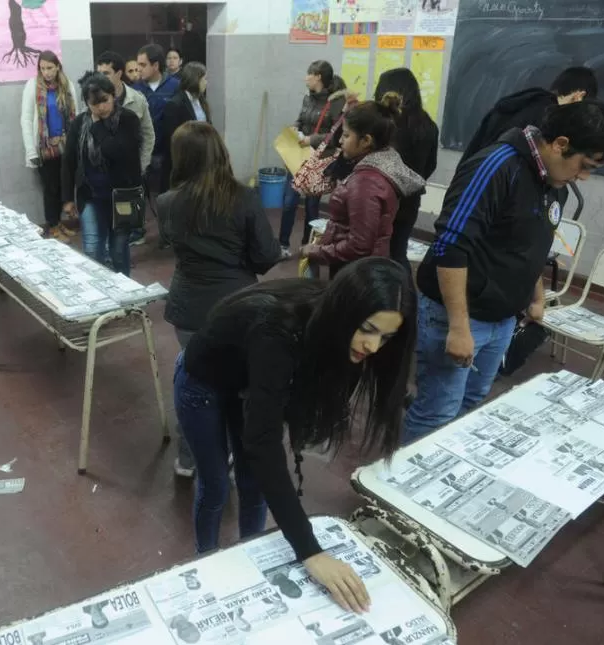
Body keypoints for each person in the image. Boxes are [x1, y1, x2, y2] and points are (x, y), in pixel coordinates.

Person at [174, 258, 417, 613]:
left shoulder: (332, 325)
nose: (373, 347)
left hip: (246, 383)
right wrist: (310, 551)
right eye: (367, 329)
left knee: (254, 484)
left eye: (385, 337)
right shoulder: (279, 327)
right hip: (203, 384)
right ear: (345, 311)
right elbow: (263, 443)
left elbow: (267, 431)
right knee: (215, 487)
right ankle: (206, 561)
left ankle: (252, 557)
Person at [404, 101, 604, 442]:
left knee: (472, 402)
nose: (584, 176)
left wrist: (536, 297)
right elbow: (451, 246)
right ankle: (399, 486)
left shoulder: (554, 183)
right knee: (436, 412)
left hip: (503, 319)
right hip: (459, 316)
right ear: (561, 144)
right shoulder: (495, 166)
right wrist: (459, 328)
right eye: (585, 165)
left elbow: (533, 245)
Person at [159, 121, 281, 477]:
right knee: (237, 385)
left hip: (188, 308)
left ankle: (188, 457)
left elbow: (171, 242)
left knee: (193, 379)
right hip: (237, 307)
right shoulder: (244, 198)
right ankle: (232, 457)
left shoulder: (167, 202)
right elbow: (266, 255)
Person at [301, 93, 424, 278]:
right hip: (363, 268)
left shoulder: (366, 183)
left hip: (357, 274)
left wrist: (316, 252)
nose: (340, 141)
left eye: (346, 135)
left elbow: (359, 245)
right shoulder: (375, 167)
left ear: (366, 141)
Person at [62, 72, 143, 276]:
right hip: (91, 194)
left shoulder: (128, 119)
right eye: (94, 103)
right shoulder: (80, 124)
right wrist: (67, 198)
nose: (101, 107)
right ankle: (99, 297)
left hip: (123, 195)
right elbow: (69, 161)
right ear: (86, 103)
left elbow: (115, 151)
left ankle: (126, 294)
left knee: (118, 250)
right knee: (92, 249)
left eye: (104, 101)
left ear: (113, 95)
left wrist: (98, 125)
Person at [460, 66, 598, 164]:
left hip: (470, 174)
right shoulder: (546, 116)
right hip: (491, 187)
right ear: (579, 96)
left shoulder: (524, 102)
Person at [373, 69, 439, 271]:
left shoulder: (384, 123)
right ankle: (406, 298)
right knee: (398, 252)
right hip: (410, 199)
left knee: (375, 253)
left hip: (380, 198)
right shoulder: (428, 125)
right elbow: (431, 165)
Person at [280, 61, 348, 256]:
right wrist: (295, 128)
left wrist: (312, 139)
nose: (305, 78)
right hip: (298, 158)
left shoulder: (335, 102)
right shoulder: (307, 98)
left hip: (319, 160)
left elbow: (336, 134)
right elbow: (301, 119)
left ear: (318, 76)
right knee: (288, 202)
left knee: (311, 206)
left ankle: (306, 246)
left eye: (308, 74)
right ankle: (282, 244)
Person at [20, 50, 79, 242]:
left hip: (65, 145)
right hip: (44, 148)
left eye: (50, 68)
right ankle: (52, 226)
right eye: (42, 68)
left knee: (64, 187)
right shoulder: (32, 86)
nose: (46, 72)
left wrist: (75, 142)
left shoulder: (67, 85)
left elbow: (75, 115)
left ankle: (60, 223)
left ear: (58, 67)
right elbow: (26, 119)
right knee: (50, 188)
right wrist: (30, 151)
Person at [132, 43, 181, 247]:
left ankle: (167, 235)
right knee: (138, 192)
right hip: (141, 151)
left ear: (156, 65)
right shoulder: (135, 90)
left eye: (143, 65)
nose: (139, 69)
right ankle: (138, 231)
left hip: (166, 152)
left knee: (165, 195)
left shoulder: (175, 86)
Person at [96, 50, 155, 176]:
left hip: (132, 169)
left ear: (118, 74)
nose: (101, 78)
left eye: (106, 73)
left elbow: (148, 135)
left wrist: (141, 166)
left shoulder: (137, 99)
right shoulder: (93, 100)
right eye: (99, 73)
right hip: (102, 171)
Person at [160, 62, 211, 196]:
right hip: (184, 162)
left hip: (202, 159)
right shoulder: (175, 104)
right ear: (195, 79)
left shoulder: (201, 101)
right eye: (204, 79)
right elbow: (171, 138)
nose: (206, 83)